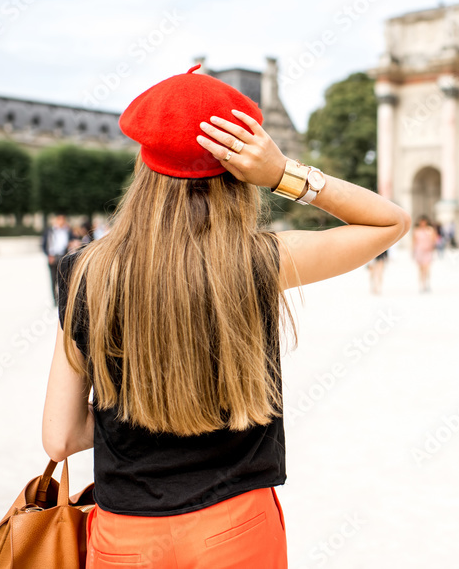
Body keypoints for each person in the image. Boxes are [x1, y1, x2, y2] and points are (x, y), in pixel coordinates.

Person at [42, 65, 410, 568]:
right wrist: (283, 175)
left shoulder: (86, 273)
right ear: (237, 176)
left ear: (144, 168)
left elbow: (59, 438)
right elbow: (391, 220)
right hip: (237, 529)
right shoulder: (261, 260)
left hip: (127, 536)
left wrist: (135, 415)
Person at [41, 213, 71, 304]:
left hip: (63, 257)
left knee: (64, 279)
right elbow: (43, 245)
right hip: (53, 257)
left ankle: (63, 299)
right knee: (53, 279)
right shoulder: (49, 231)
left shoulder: (67, 231)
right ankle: (55, 300)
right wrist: (48, 255)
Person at [412, 215, 438, 292]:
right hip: (419, 251)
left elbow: (434, 240)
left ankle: (427, 284)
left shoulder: (430, 230)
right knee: (421, 269)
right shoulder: (416, 231)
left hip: (428, 251)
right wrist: (413, 251)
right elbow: (414, 242)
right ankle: (422, 284)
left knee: (427, 268)